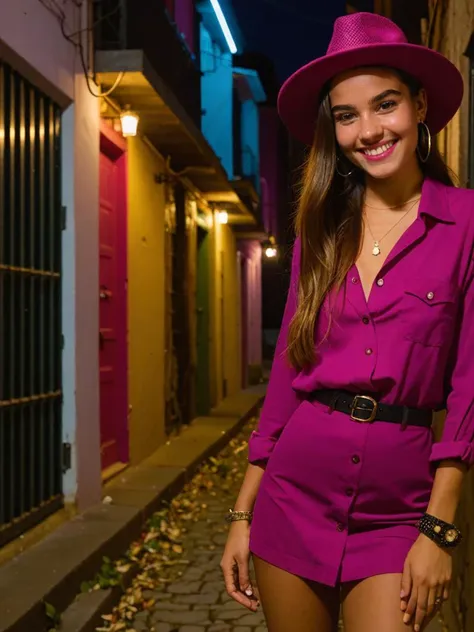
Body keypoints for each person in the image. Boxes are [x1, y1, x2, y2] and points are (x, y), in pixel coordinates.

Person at [220, 11, 474, 632]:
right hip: (293, 497)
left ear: (418, 106)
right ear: (332, 129)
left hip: (398, 511)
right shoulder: (321, 231)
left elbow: (469, 388)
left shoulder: (466, 224)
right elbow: (288, 371)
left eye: (384, 105)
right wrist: (242, 514)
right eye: (346, 115)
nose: (369, 131)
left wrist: (437, 531)